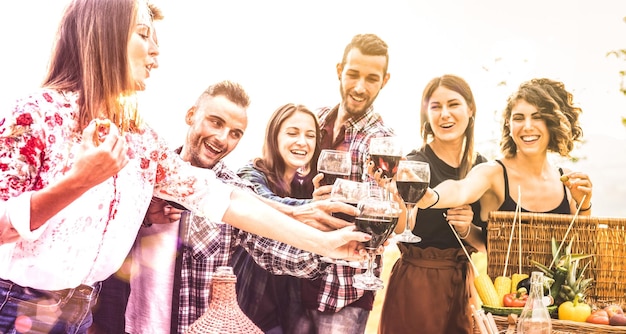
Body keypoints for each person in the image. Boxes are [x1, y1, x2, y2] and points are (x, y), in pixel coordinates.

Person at [0, 1, 371, 332]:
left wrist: (323, 242)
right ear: (104, 35)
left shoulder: (138, 138)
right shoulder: (37, 116)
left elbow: (227, 200)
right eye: (144, 34)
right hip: (14, 306)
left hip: (79, 314)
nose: (156, 52)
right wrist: (78, 182)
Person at [92, 82, 359, 334]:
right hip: (118, 323)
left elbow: (273, 249)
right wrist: (143, 217)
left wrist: (332, 250)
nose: (222, 138)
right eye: (216, 122)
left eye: (235, 133)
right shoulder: (147, 169)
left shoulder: (234, 189)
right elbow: (98, 228)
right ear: (191, 115)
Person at [294, 33, 395, 334]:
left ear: (384, 81)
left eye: (371, 78)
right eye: (353, 74)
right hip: (297, 276)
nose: (360, 86)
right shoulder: (316, 119)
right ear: (340, 70)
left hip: (343, 290)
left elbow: (378, 215)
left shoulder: (381, 141)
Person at [377, 75, 487, 334]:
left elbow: (485, 244)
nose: (444, 114)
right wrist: (396, 195)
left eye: (453, 104)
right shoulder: (414, 163)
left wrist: (467, 230)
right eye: (435, 107)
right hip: (417, 286)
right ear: (426, 114)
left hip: (465, 288)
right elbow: (401, 229)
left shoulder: (483, 169)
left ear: (470, 109)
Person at [418, 77, 593, 219]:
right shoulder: (493, 173)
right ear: (508, 124)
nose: (527, 126)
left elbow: (581, 246)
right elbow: (461, 189)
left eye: (537, 117)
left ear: (552, 123)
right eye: (518, 118)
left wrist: (584, 205)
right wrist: (433, 197)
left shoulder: (567, 181)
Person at [233, 103, 322, 333]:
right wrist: (320, 208)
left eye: (310, 135)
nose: (302, 141)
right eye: (292, 133)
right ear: (274, 136)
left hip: (282, 316)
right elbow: (267, 207)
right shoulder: (250, 175)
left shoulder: (303, 189)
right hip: (244, 310)